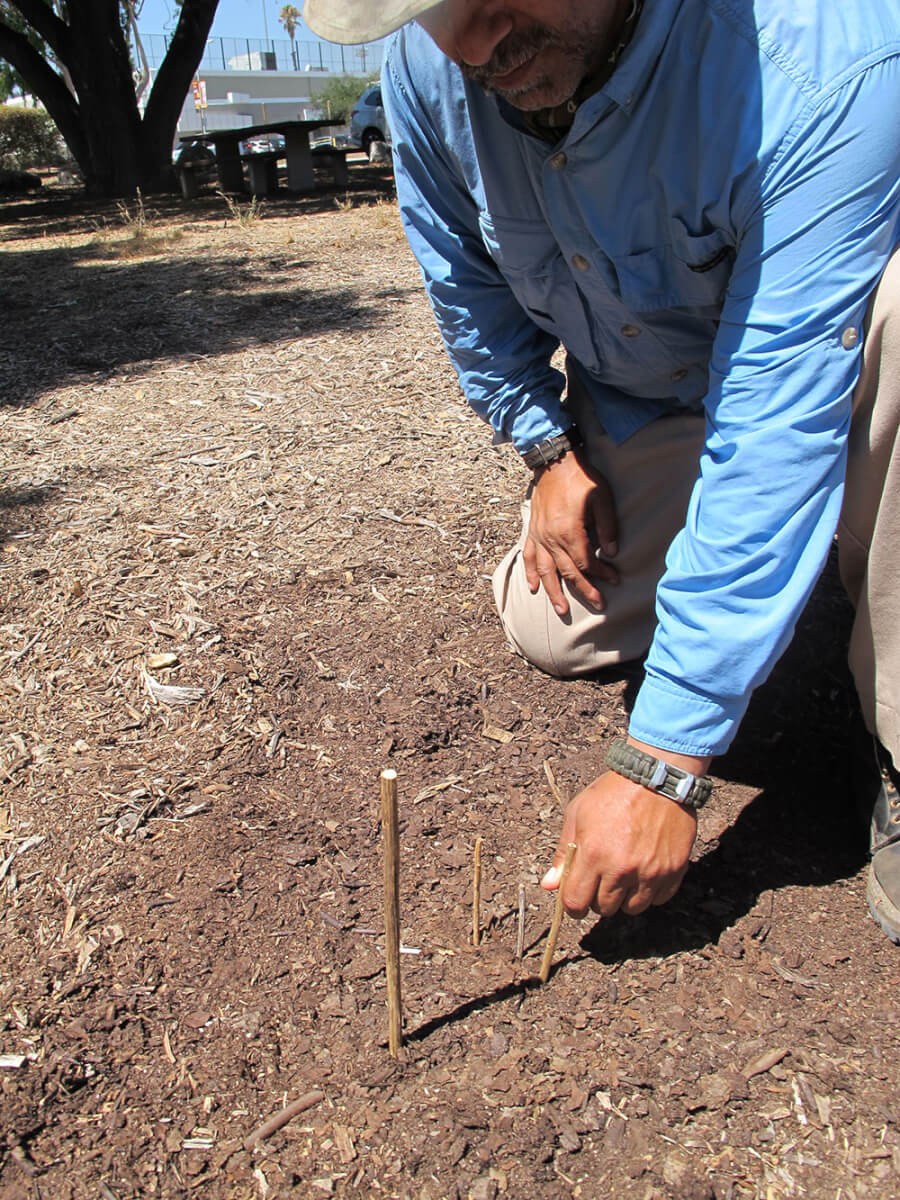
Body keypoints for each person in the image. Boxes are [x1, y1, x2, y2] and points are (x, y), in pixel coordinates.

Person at [304, 0, 900, 941]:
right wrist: (547, 449)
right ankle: (804, 593)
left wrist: (664, 763)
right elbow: (466, 290)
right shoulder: (433, 72)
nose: (470, 45)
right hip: (654, 396)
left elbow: (778, 422)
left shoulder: (823, 65)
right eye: (429, 12)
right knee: (555, 626)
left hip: (832, 371)